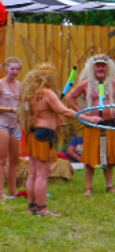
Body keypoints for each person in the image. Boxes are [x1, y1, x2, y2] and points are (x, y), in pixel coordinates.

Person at [17, 63, 95, 216]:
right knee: (41, 175)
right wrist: (86, 118)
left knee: (33, 173)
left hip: (32, 134)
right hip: (43, 135)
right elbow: (63, 110)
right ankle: (42, 209)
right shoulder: (47, 93)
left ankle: (32, 207)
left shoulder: (30, 93)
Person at [64, 54, 115, 195]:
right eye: (97, 65)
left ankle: (109, 186)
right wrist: (82, 113)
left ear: (107, 67)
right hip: (91, 124)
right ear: (92, 67)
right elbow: (69, 97)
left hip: (109, 123)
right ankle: (89, 188)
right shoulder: (86, 83)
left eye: (103, 66)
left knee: (109, 156)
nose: (100, 68)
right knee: (89, 156)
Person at [0, 57, 22, 200]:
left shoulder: (20, 85)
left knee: (15, 160)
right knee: (2, 159)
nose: (14, 71)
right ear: (5, 68)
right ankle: (1, 192)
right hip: (2, 123)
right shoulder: (1, 84)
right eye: (12, 68)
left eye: (17, 69)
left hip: (16, 125)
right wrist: (12, 110)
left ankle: (13, 191)